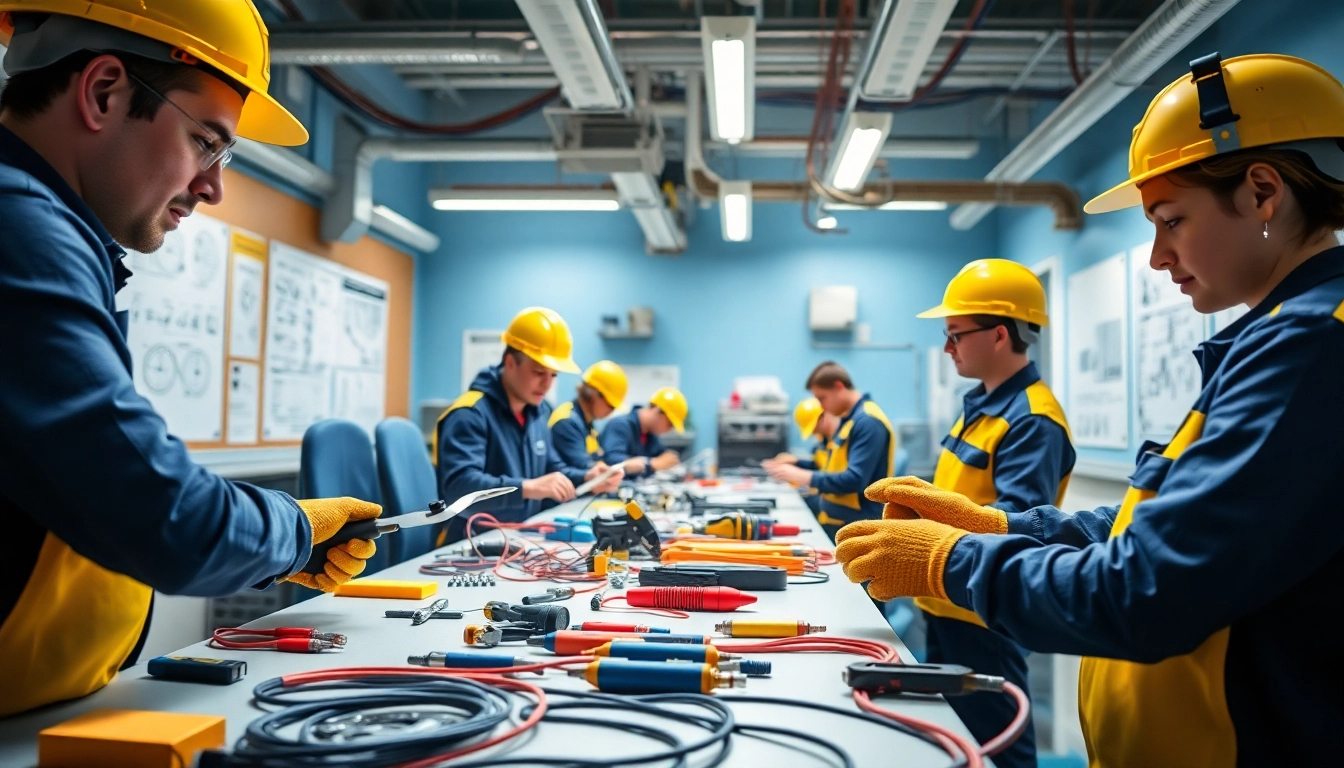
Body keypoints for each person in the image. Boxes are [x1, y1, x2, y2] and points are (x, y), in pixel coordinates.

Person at [834, 53, 1344, 766]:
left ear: (1263, 192)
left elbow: (1148, 590)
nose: (1158, 256)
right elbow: (1165, 524)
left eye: (1171, 220)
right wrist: (1007, 525)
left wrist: (954, 563)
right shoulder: (1278, 338)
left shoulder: (1312, 346)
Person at [0, 2, 382, 717]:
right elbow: (164, 518)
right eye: (207, 142)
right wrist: (294, 530)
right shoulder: (20, 234)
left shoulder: (48, 234)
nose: (213, 186)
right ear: (104, 90)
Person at [884, 258, 1076, 768]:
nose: (947, 348)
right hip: (945, 597)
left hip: (982, 607)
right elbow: (963, 495)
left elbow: (1016, 523)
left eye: (955, 335)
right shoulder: (982, 407)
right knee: (958, 741)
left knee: (997, 745)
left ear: (998, 334)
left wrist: (931, 526)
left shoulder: (1033, 420)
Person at [434, 307, 622, 543]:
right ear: (510, 362)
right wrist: (526, 488)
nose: (547, 384)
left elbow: (552, 471)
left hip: (521, 537)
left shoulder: (537, 412)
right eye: (539, 372)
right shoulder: (469, 413)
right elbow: (460, 488)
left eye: (553, 375)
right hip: (471, 543)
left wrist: (588, 479)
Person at [764, 362, 895, 539]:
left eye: (822, 398)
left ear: (838, 386)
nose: (821, 407)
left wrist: (803, 476)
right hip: (841, 520)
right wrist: (797, 464)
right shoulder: (848, 420)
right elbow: (832, 465)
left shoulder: (868, 422)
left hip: (860, 527)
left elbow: (855, 480)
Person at [549, 360, 632, 471]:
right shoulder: (567, 421)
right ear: (593, 394)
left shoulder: (587, 423)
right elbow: (583, 468)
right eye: (610, 405)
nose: (611, 411)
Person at [598, 387, 688, 477]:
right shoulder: (619, 425)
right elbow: (612, 461)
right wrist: (652, 464)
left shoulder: (650, 435)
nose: (669, 430)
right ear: (657, 411)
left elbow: (661, 454)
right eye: (670, 424)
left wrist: (668, 458)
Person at [769, 397, 839, 512]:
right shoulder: (823, 443)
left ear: (823, 417)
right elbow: (821, 466)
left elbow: (842, 479)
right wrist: (796, 462)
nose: (813, 433)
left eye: (814, 428)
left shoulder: (842, 444)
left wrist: (803, 476)